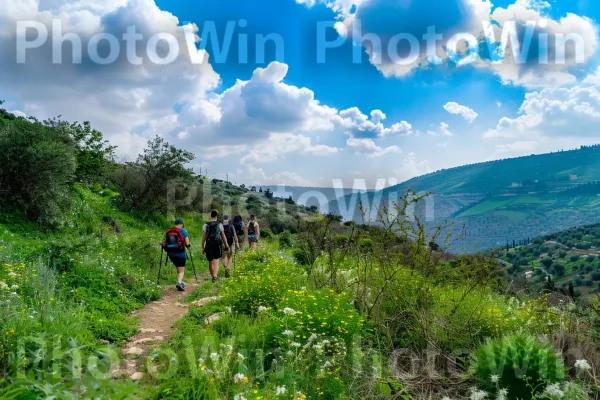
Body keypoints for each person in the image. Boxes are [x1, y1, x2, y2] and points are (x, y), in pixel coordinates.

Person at [162, 218, 190, 291]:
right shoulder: (183, 230)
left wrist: (165, 248)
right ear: (181, 224)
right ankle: (179, 283)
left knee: (178, 267)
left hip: (171, 254)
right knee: (181, 270)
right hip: (180, 254)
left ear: (175, 224)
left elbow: (163, 242)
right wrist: (188, 246)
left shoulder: (169, 231)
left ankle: (180, 281)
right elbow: (187, 243)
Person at [202, 210, 230, 283]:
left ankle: (213, 276)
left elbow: (203, 237)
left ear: (210, 216)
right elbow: (223, 236)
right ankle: (215, 277)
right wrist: (226, 246)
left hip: (208, 245)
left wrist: (202, 247)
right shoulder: (219, 224)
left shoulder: (205, 225)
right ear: (216, 216)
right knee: (216, 261)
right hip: (217, 244)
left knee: (210, 262)